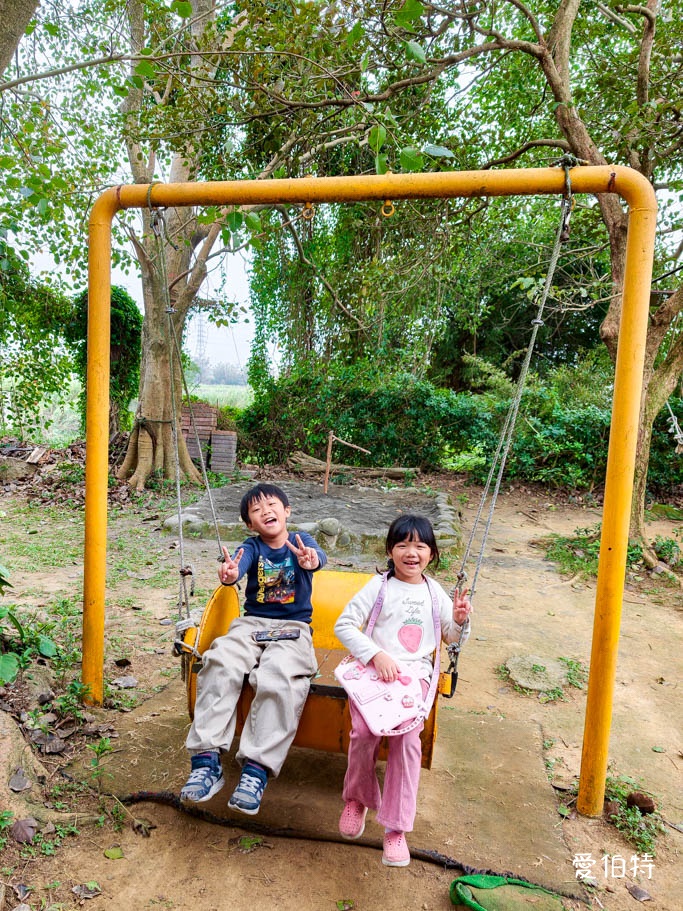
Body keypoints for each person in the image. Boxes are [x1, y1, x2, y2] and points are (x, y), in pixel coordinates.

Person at [334, 513, 471, 867]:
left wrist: (458, 620)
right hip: (374, 671)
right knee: (363, 732)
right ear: (390, 551)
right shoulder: (378, 586)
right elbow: (345, 625)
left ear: (432, 553)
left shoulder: (433, 591)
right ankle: (358, 798)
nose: (412, 553)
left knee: (408, 741)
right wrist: (375, 654)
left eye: (420, 545)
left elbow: (452, 638)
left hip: (414, 676)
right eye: (403, 545)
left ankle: (396, 828)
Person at [181, 483, 327, 815]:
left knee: (278, 676)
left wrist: (310, 559)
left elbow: (317, 559)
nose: (266, 512)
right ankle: (206, 761)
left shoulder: (302, 541)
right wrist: (231, 574)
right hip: (252, 625)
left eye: (272, 505)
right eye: (257, 511)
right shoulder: (251, 547)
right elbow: (238, 567)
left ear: (287, 511)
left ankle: (256, 769)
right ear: (250, 524)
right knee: (220, 661)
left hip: (293, 629)